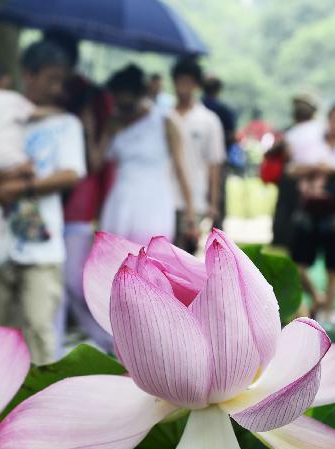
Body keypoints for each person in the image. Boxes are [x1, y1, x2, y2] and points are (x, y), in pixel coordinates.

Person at [0, 40, 86, 364]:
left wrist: (18, 187)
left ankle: (44, 403)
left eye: (62, 81)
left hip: (43, 245)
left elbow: (70, 174)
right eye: (51, 79)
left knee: (40, 330)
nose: (58, 88)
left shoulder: (65, 124)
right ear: (28, 74)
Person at [43, 29, 115, 353]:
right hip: (43, 195)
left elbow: (99, 158)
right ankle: (51, 346)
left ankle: (108, 341)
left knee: (73, 280)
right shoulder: (38, 95)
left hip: (77, 199)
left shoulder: (92, 97)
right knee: (46, 278)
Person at [89, 64, 195, 247]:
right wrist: (90, 132)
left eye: (127, 104)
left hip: (154, 200)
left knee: (151, 255)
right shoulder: (113, 125)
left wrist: (190, 211)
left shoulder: (164, 122)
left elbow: (180, 168)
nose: (123, 109)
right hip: (120, 201)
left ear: (140, 95)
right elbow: (95, 163)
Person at [289, 103, 335, 319]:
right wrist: (317, 168)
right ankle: (316, 297)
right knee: (298, 264)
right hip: (310, 212)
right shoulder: (313, 145)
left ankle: (328, 315)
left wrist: (334, 171)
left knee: (333, 268)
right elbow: (293, 169)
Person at [171, 58, 225, 251]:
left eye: (188, 81)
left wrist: (213, 203)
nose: (183, 86)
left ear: (196, 85)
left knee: (185, 255)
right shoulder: (165, 116)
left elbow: (214, 164)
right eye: (179, 81)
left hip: (195, 198)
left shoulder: (208, 121)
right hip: (164, 196)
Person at [272, 92, 323, 250]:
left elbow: (286, 154)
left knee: (287, 214)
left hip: (293, 179)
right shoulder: (321, 130)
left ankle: (286, 243)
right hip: (313, 179)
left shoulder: (291, 133)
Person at [202, 76, 237, 154]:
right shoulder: (224, 110)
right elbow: (231, 136)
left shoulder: (196, 108)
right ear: (218, 90)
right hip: (219, 153)